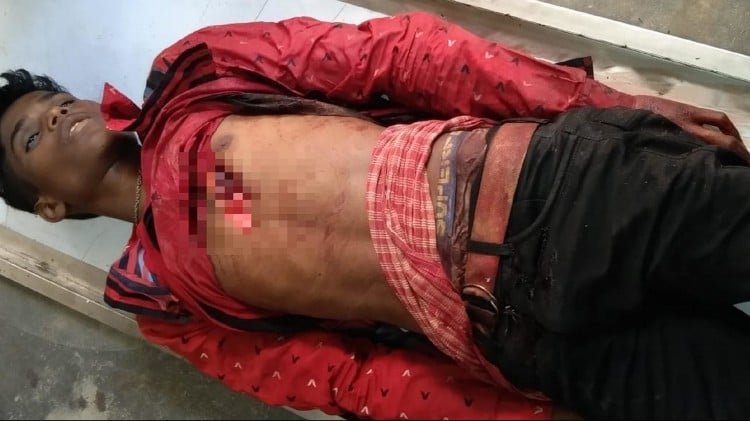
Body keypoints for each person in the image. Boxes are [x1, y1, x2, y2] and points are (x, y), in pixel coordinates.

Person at [1, 11, 749, 420]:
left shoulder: (192, 78)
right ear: (51, 207)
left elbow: (398, 55)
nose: (57, 115)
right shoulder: (165, 305)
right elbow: (353, 378)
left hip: (553, 187)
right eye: (30, 137)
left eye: (53, 100)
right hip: (523, 340)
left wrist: (600, 101)